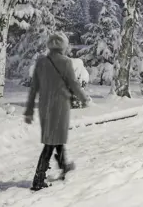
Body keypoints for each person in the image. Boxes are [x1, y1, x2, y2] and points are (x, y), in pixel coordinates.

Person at [25, 32, 90, 191]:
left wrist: (28, 110)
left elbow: (34, 88)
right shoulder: (66, 62)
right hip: (60, 106)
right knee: (51, 141)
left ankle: (63, 165)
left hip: (44, 107)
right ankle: (38, 178)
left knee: (55, 138)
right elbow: (73, 84)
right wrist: (84, 98)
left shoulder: (40, 62)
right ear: (63, 46)